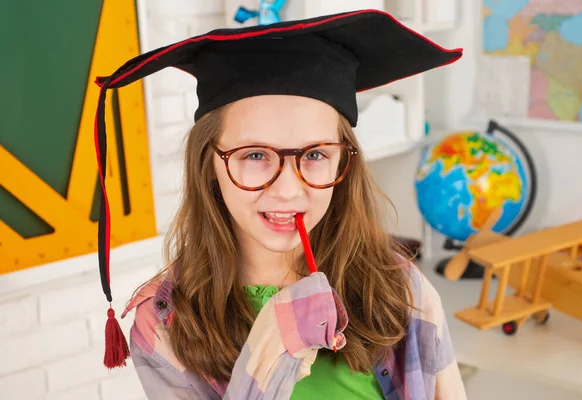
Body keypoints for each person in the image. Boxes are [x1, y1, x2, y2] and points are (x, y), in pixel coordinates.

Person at [92, 9, 467, 400]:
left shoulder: (401, 287)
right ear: (209, 165)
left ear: (344, 161)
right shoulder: (164, 325)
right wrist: (273, 346)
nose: (288, 189)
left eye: (316, 155)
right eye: (254, 155)